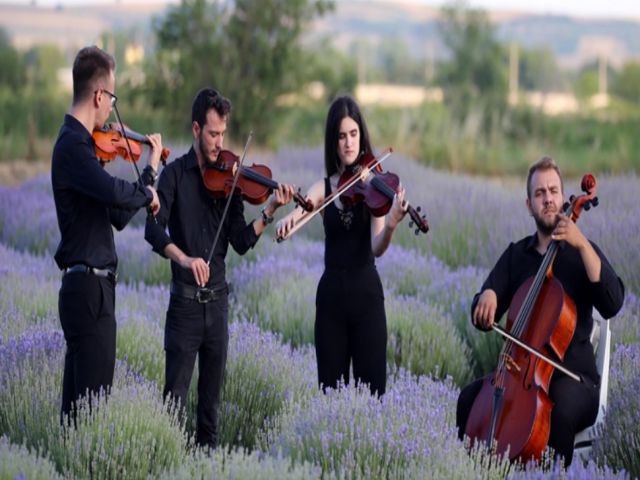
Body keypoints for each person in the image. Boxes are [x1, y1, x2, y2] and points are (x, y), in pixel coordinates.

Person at [144, 87, 295, 449]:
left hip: (219, 305)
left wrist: (271, 210)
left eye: (224, 135)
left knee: (210, 415)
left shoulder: (230, 181)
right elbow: (152, 229)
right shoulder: (175, 176)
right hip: (184, 307)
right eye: (213, 134)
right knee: (173, 407)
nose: (219, 144)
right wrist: (184, 258)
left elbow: (241, 242)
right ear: (197, 130)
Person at [456, 156, 625, 466]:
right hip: (519, 375)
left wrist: (583, 245)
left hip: (576, 381)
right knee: (468, 399)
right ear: (529, 204)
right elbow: (482, 304)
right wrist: (488, 296)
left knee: (557, 413)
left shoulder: (581, 252)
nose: (548, 198)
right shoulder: (516, 255)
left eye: (553, 191)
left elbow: (613, 303)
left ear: (563, 198)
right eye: (539, 193)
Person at [51, 46, 162, 422]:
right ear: (100, 95)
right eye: (112, 98)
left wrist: (149, 172)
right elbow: (115, 192)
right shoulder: (72, 147)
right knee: (90, 415)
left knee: (79, 415)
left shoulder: (83, 148)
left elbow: (116, 214)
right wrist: (147, 193)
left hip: (93, 291)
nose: (112, 112)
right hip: (88, 292)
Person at [276, 95, 408, 397]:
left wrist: (391, 224)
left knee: (373, 395)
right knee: (330, 395)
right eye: (341, 136)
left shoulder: (374, 185)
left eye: (353, 134)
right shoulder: (326, 186)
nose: (348, 143)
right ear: (332, 142)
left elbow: (377, 247)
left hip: (367, 300)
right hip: (331, 302)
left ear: (360, 137)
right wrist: (290, 221)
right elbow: (305, 206)